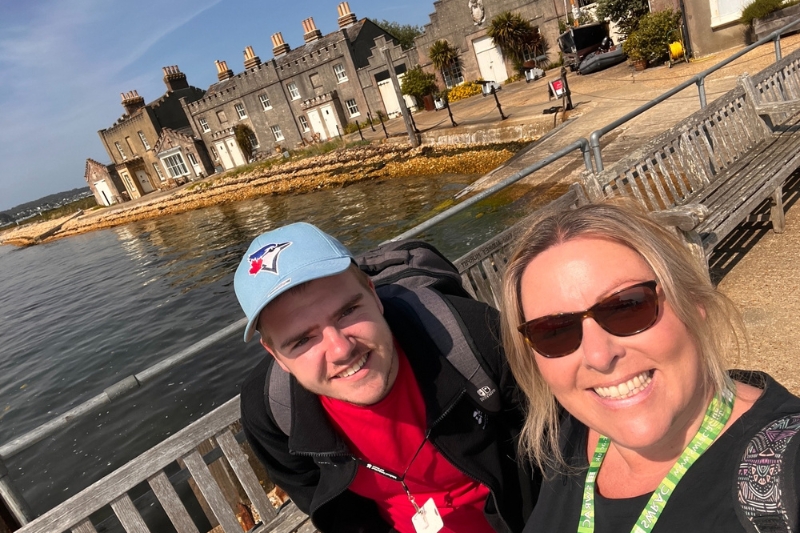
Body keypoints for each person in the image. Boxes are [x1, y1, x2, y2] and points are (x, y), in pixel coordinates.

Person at [498, 201, 800, 533]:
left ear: (692, 302)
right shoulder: (569, 437)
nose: (599, 356)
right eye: (554, 332)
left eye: (627, 307)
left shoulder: (787, 469)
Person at [234, 222, 535, 533]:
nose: (340, 349)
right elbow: (314, 492)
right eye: (302, 340)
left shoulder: (473, 337)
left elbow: (553, 450)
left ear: (374, 295)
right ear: (275, 355)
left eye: (347, 312)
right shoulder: (271, 409)